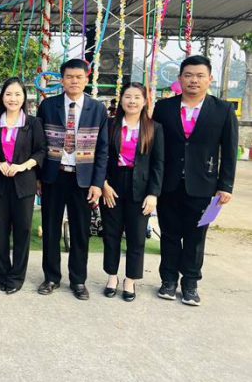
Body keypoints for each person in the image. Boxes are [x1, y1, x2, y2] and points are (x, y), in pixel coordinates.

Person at [153, 55, 238, 306]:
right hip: (168, 185)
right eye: (188, 75)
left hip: (207, 187)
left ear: (209, 79)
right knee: (168, 234)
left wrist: (226, 186)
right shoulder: (164, 108)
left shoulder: (223, 110)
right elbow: (156, 147)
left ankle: (190, 283)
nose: (194, 80)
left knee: (197, 236)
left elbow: (230, 151)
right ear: (180, 79)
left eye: (200, 76)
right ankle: (168, 280)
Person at [36, 58, 108, 300]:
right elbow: (40, 144)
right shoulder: (48, 106)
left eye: (79, 77)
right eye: (69, 77)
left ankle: (78, 280)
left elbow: (103, 149)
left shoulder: (97, 109)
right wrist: (38, 177)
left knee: (80, 232)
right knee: (51, 229)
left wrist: (98, 183)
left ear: (86, 79)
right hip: (54, 177)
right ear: (62, 79)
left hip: (83, 179)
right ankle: (51, 277)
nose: (74, 81)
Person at [101, 83, 164, 302]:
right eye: (128, 97)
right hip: (112, 186)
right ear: (121, 100)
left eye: (137, 97)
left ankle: (130, 279)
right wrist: (103, 184)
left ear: (145, 101)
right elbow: (101, 157)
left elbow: (158, 164)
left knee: (137, 237)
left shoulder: (154, 128)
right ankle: (111, 277)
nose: (132, 101)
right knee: (111, 235)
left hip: (141, 188)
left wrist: (153, 194)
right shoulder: (110, 125)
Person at [0, 78, 46, 294]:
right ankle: (2, 274)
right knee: (0, 232)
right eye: (9, 94)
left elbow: (40, 151)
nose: (13, 99)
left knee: (22, 231)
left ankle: (16, 276)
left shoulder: (33, 123)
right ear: (2, 97)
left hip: (25, 183)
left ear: (24, 98)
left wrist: (23, 166)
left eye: (17, 94)